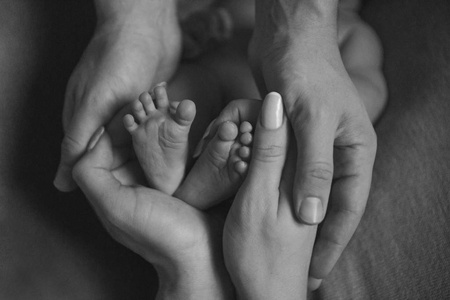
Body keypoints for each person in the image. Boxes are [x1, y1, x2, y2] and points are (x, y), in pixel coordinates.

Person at [55, 0, 384, 288]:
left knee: (273, 154)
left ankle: (179, 184)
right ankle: (173, 167)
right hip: (214, 109)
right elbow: (173, 34)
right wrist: (194, 31)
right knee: (184, 97)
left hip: (264, 131)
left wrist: (339, 105)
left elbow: (367, 93)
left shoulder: (354, 31)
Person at [73, 92, 317, 299]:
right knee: (217, 101)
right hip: (267, 226)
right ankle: (187, 188)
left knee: (206, 87)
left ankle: (183, 190)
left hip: (258, 214)